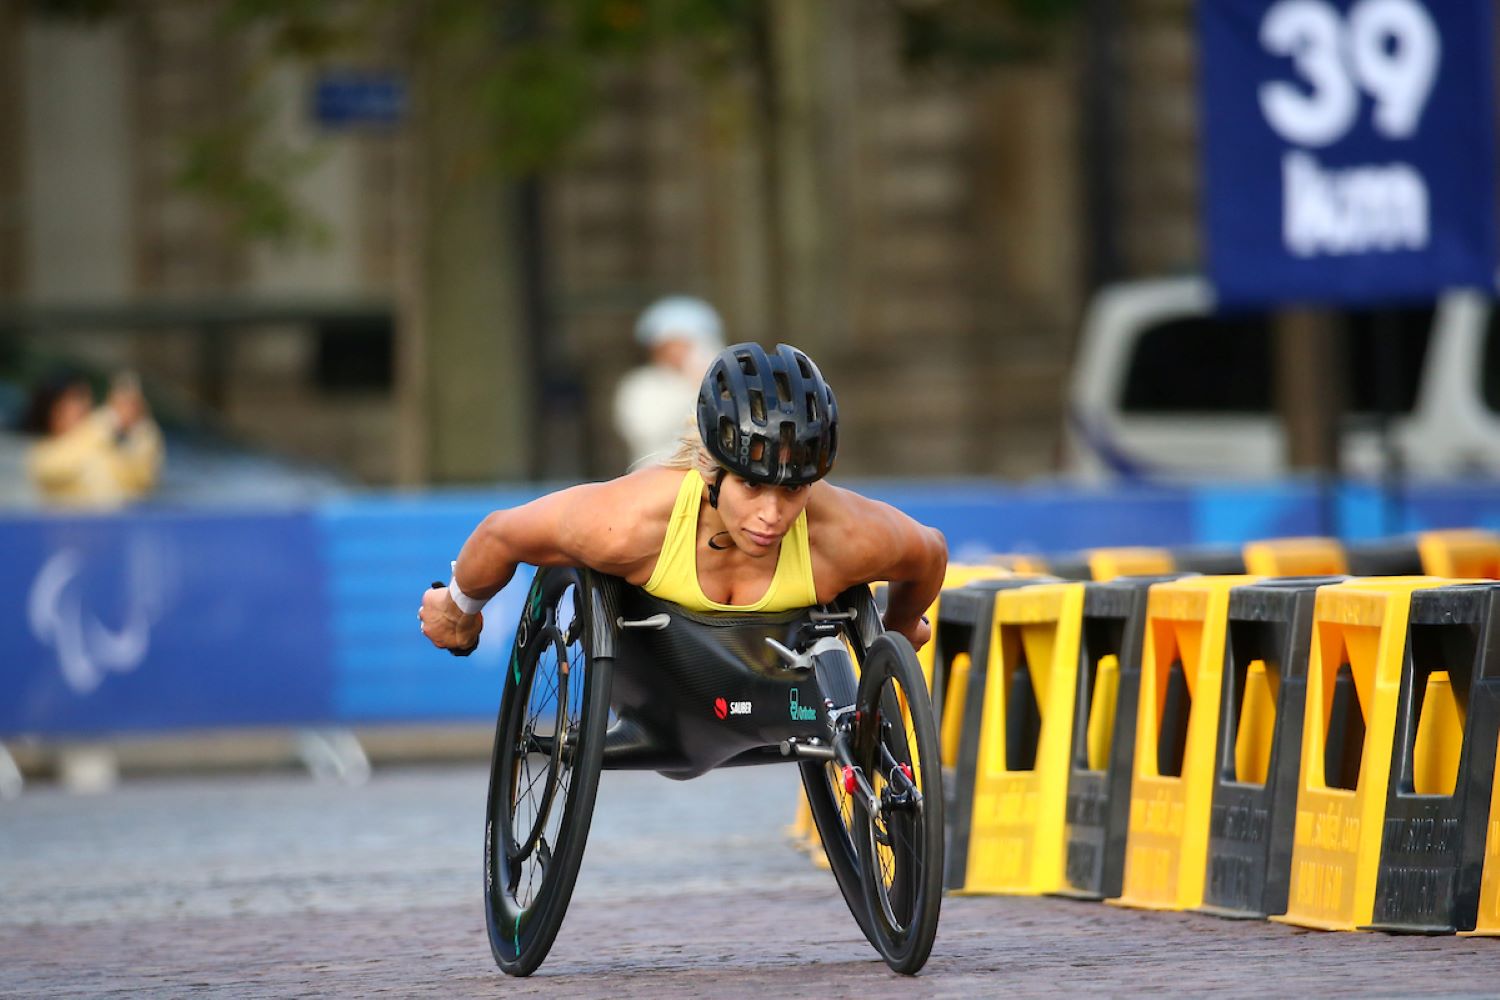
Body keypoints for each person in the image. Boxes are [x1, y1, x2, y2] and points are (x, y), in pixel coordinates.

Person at [421, 342, 947, 656]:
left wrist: (898, 629)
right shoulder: (629, 523)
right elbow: (500, 534)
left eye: (792, 491)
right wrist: (459, 609)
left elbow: (929, 553)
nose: (771, 515)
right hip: (653, 668)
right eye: (752, 485)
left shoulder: (843, 535)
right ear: (710, 469)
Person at [22, 368, 164, 509]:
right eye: (75, 399)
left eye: (86, 398)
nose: (85, 406)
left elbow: (143, 480)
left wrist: (138, 427)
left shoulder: (103, 443)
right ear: (53, 409)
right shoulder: (43, 455)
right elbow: (61, 463)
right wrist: (111, 419)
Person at [612, 295, 725, 466]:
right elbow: (646, 431)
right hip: (653, 480)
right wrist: (693, 387)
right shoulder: (641, 385)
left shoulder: (723, 383)